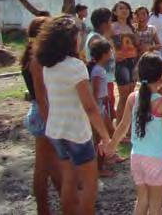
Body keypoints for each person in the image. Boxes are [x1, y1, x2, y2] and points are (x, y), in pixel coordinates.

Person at [35, 16, 111, 214]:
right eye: (78, 36)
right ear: (70, 40)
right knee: (89, 183)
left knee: (68, 179)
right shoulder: (76, 67)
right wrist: (105, 136)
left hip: (56, 130)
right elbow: (90, 107)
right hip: (76, 132)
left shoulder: (48, 67)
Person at [104, 53, 162, 215]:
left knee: (142, 200)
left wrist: (112, 145)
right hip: (157, 160)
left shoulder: (132, 98)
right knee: (156, 206)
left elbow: (123, 126)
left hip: (136, 157)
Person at [21, 17, 62, 214]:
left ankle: (63, 200)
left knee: (51, 164)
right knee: (43, 167)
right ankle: (43, 208)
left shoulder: (34, 54)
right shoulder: (36, 58)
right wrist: (50, 121)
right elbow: (41, 94)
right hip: (43, 112)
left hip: (44, 111)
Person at [85, 8, 118, 142]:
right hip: (104, 81)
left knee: (108, 113)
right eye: (110, 21)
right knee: (106, 113)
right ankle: (106, 145)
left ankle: (109, 143)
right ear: (104, 24)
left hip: (107, 78)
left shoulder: (98, 36)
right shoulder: (96, 38)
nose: (112, 24)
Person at [88, 39, 116, 178]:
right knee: (98, 139)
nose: (111, 53)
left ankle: (106, 158)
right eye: (109, 51)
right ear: (104, 54)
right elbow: (95, 92)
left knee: (109, 132)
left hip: (102, 107)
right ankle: (98, 168)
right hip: (98, 108)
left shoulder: (100, 69)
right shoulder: (98, 70)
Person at [111, 1, 138, 126]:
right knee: (123, 96)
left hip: (133, 61)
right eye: (121, 8)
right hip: (121, 63)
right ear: (115, 12)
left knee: (131, 94)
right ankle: (120, 125)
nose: (124, 10)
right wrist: (113, 54)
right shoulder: (112, 26)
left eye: (126, 8)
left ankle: (129, 124)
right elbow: (106, 42)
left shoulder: (131, 27)